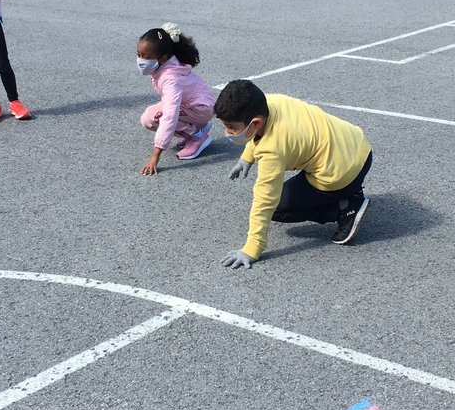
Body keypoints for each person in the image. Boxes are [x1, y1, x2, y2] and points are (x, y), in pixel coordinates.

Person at [215, 80, 372, 269]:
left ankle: (344, 209)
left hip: (341, 174)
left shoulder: (273, 149)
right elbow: (257, 134)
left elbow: (265, 199)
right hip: (359, 147)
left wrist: (252, 248)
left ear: (255, 122)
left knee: (278, 208)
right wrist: (247, 157)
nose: (227, 132)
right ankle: (347, 193)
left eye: (231, 127)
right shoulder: (271, 102)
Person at [136, 23, 215, 176]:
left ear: (163, 58)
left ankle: (197, 137)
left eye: (146, 57)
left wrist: (155, 155)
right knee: (151, 113)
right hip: (199, 105)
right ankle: (199, 126)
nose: (140, 60)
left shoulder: (170, 79)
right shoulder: (167, 65)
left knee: (152, 118)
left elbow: (170, 115)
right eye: (138, 54)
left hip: (199, 108)